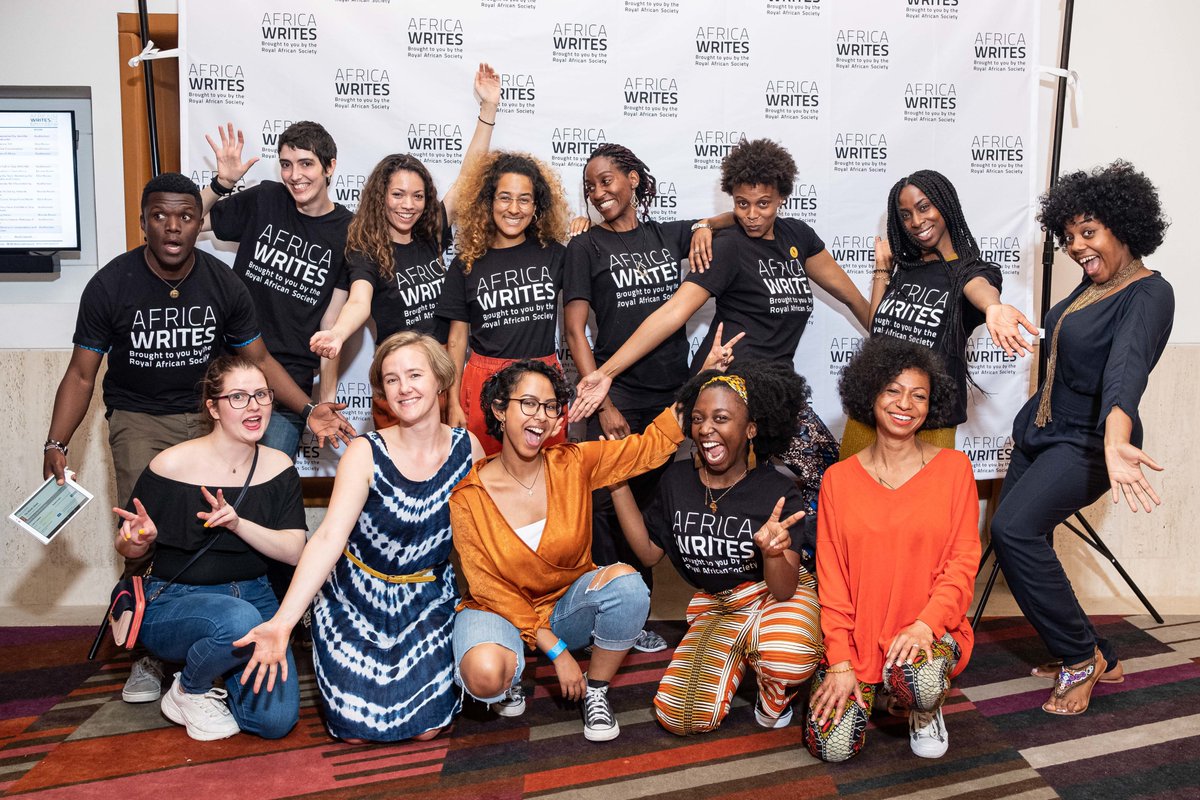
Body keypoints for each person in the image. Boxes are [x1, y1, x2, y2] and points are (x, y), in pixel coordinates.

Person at [43, 173, 346, 706]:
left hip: (209, 417)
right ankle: (146, 649)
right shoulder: (110, 285)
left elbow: (258, 361)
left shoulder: (223, 284)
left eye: (185, 216)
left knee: (220, 525)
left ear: (199, 221)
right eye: (160, 216)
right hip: (139, 418)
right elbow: (81, 375)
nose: (173, 226)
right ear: (143, 222)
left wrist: (308, 406)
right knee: (141, 534)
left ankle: (234, 628)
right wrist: (57, 443)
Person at [234, 332, 485, 742]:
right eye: (391, 379)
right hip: (354, 600)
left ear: (440, 380)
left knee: (426, 730)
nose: (404, 388)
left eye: (414, 375)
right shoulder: (364, 452)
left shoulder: (468, 449)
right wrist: (282, 623)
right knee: (356, 731)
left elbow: (480, 541)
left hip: (427, 600)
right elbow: (328, 538)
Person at [990, 161, 1173, 716]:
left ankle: (1077, 659)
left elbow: (1126, 371)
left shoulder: (1147, 294)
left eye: (1088, 233)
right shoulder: (1094, 286)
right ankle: (1099, 654)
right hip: (1042, 432)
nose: (1075, 246)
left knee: (1012, 529)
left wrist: (1116, 438)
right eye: (1068, 236)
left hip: (1088, 443)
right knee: (1016, 538)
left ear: (1123, 227)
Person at [450, 360, 683, 742]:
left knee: (629, 586)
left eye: (549, 406)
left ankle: (596, 690)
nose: (540, 417)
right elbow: (490, 588)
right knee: (485, 675)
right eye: (527, 403)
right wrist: (557, 652)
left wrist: (694, 390)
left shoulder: (573, 463)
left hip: (563, 607)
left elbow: (646, 448)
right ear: (498, 409)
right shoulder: (467, 496)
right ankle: (510, 669)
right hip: (499, 610)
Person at [563, 142, 731, 653]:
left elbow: (727, 220)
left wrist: (704, 225)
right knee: (607, 509)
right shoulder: (584, 247)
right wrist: (604, 401)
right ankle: (602, 617)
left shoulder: (668, 234)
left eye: (608, 179)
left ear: (634, 179)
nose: (599, 192)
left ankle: (634, 616)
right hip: (618, 395)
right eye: (590, 186)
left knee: (649, 507)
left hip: (672, 396)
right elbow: (574, 332)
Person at [572, 137, 870, 420]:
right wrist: (605, 374)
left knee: (809, 465)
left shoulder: (798, 236)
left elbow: (853, 298)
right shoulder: (727, 246)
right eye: (742, 204)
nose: (752, 214)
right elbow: (673, 312)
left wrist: (891, 359)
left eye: (763, 204)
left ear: (782, 198)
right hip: (727, 385)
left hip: (777, 385)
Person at [613, 361, 822, 734]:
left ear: (751, 429)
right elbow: (648, 553)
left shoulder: (776, 490)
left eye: (721, 418)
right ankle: (739, 652)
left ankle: (774, 692)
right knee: (681, 718)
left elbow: (784, 588)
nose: (706, 428)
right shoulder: (677, 481)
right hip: (718, 605)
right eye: (698, 418)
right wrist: (617, 484)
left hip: (770, 596)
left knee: (787, 655)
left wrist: (773, 552)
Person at [112, 355, 306, 741]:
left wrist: (238, 523)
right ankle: (189, 688)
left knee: (274, 722)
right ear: (213, 407)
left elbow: (295, 551)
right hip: (177, 599)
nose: (253, 406)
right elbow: (128, 550)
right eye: (238, 397)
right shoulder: (171, 464)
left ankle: (219, 666)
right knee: (237, 621)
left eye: (261, 395)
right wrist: (138, 540)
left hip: (256, 596)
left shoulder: (280, 465)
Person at [805, 336, 980, 762]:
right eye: (893, 390)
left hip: (928, 634)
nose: (906, 404)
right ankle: (875, 686)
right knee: (831, 747)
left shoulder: (954, 469)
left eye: (919, 395)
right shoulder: (839, 480)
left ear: (930, 405)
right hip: (862, 641)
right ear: (870, 394)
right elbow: (832, 581)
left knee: (916, 679)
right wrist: (842, 661)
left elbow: (962, 563)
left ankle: (924, 706)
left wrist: (926, 625)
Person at [309, 65, 501, 430]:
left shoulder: (430, 236)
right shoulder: (367, 251)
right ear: (381, 197)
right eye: (398, 194)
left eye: (417, 196)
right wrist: (337, 333)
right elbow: (359, 302)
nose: (407, 205)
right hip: (399, 379)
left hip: (443, 374)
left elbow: (469, 177)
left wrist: (488, 109)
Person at [844, 169, 1038, 456]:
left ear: (944, 205)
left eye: (924, 207)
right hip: (872, 410)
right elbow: (878, 331)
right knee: (853, 498)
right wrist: (883, 268)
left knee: (923, 502)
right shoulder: (907, 268)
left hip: (931, 419)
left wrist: (993, 307)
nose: (916, 221)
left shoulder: (970, 271)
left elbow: (979, 287)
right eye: (905, 214)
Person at [201, 119, 356, 456]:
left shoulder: (349, 231)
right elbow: (187, 224)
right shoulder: (265, 199)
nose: (294, 175)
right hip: (231, 372)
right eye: (286, 164)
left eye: (306, 164)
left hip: (287, 387)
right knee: (215, 488)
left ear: (329, 167)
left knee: (266, 493)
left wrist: (324, 401)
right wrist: (220, 184)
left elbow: (330, 325)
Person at [436, 151, 571, 454]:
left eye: (524, 199)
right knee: (484, 481)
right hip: (485, 383)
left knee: (549, 479)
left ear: (537, 207)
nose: (514, 208)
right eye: (504, 198)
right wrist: (454, 402)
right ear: (489, 202)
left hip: (543, 384)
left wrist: (587, 227)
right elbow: (457, 341)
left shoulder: (556, 256)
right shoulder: (465, 264)